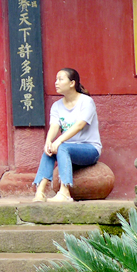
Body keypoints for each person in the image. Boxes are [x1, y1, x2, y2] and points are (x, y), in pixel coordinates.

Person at [33, 68, 101, 202]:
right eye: (56, 79)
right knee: (50, 151)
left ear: (72, 83)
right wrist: (48, 142)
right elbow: (54, 126)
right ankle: (40, 192)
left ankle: (64, 192)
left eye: (60, 79)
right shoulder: (57, 106)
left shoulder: (86, 102)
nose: (56, 82)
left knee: (62, 146)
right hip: (67, 148)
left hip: (89, 149)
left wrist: (58, 141)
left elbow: (79, 125)